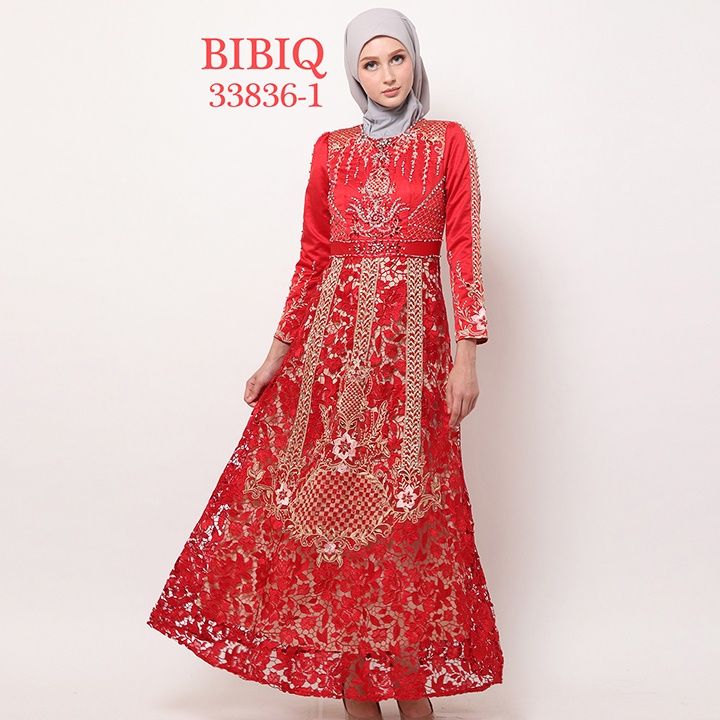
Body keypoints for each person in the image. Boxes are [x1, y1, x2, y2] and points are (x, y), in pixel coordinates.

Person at [147, 8, 504, 720]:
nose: (386, 76)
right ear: (352, 74)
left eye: (396, 59)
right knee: (329, 526)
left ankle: (413, 701)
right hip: (330, 361)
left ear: (415, 61)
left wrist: (467, 354)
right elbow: (312, 257)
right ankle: (357, 704)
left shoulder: (448, 141)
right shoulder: (331, 150)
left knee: (406, 523)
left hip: (412, 360)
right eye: (370, 64)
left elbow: (462, 247)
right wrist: (275, 356)